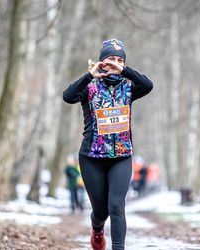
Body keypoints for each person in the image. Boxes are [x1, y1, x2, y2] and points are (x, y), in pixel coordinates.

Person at [63, 38, 153, 250]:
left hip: (121, 157)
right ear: (101, 61)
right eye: (110, 59)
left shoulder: (129, 87)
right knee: (101, 211)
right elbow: (68, 96)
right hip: (91, 158)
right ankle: (97, 228)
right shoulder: (90, 86)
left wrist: (126, 70)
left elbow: (148, 85)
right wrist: (89, 75)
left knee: (116, 206)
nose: (115, 63)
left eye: (119, 60)